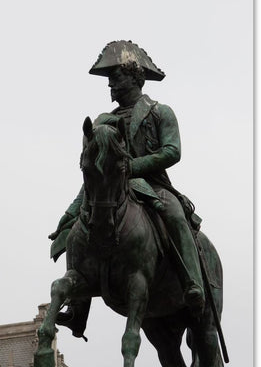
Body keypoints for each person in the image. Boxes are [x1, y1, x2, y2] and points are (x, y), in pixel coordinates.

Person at [49, 40, 205, 335]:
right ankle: (77, 308)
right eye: (109, 80)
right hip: (108, 188)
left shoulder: (160, 112)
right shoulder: (101, 123)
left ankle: (192, 284)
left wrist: (132, 167)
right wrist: (70, 211)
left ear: (135, 78)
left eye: (117, 77)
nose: (111, 85)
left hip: (152, 184)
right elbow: (91, 171)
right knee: (77, 232)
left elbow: (172, 152)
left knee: (174, 216)